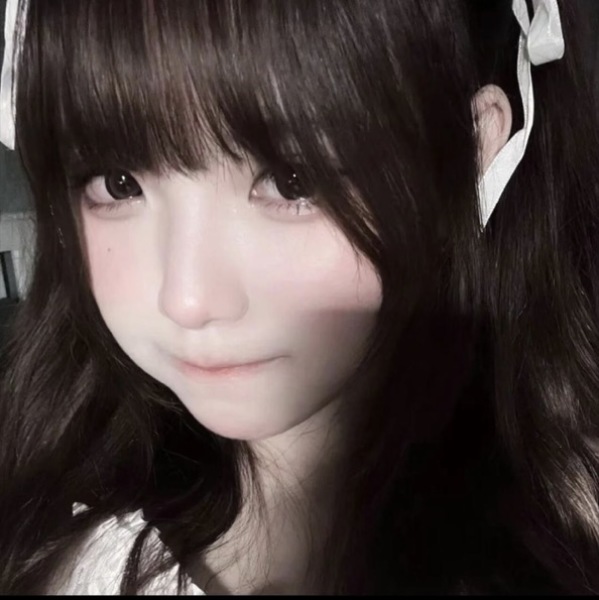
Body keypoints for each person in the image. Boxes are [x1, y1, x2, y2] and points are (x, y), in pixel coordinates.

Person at [0, 0, 598, 594]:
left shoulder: (571, 542)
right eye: (119, 184)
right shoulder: (59, 547)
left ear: (469, 155)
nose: (187, 300)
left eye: (293, 181)